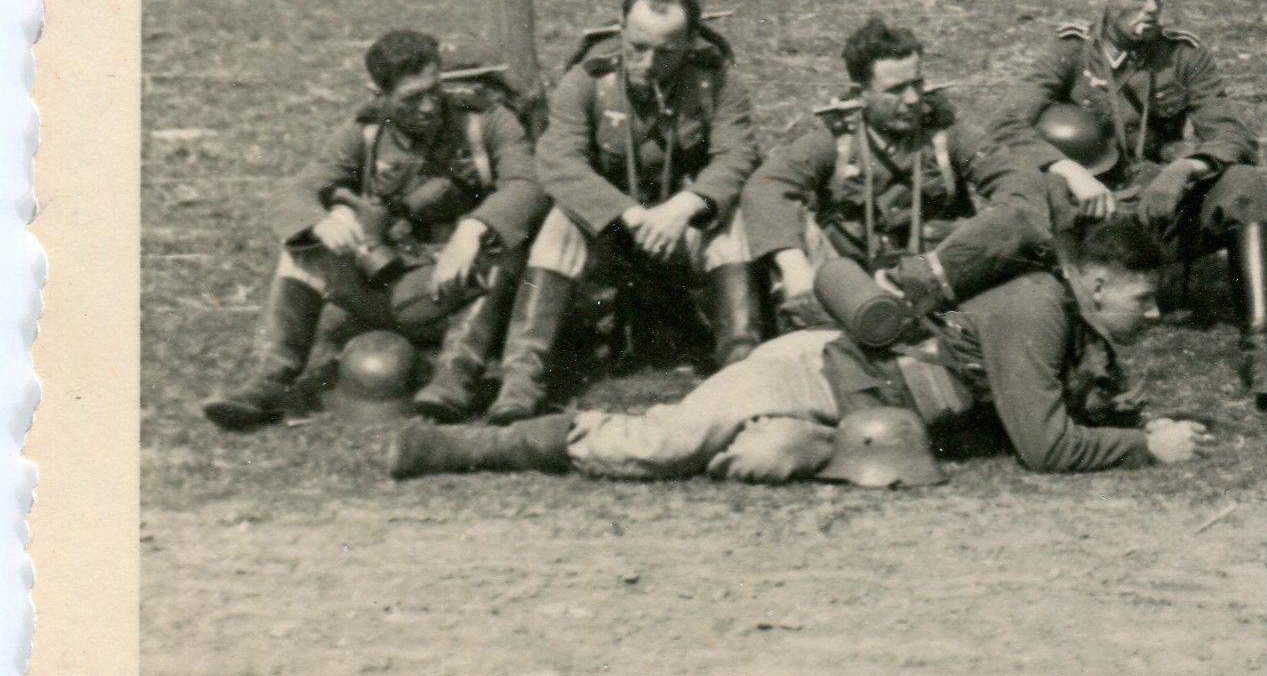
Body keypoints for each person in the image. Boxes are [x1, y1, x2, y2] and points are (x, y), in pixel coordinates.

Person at [388, 212, 1211, 485]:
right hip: (813, 369)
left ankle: (757, 446)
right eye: (1143, 296)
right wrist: (1147, 447)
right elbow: (1044, 444)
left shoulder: (1072, 324)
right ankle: (454, 446)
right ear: (1098, 285)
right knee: (660, 444)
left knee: (769, 459)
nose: (1153, 311)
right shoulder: (1041, 310)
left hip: (859, 412)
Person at [986, 0, 1267, 409]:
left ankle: (1261, 347)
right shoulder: (1070, 52)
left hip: (1157, 211)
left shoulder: (1182, 55)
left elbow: (1235, 136)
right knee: (1048, 186)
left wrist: (1187, 168)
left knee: (1244, 184)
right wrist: (1070, 171)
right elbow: (1007, 123)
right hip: (1091, 220)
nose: (1151, 8)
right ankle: (1086, 346)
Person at [201, 29, 545, 431]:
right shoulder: (365, 133)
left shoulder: (484, 120)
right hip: (393, 281)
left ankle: (455, 379)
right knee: (300, 253)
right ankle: (269, 381)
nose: (429, 107)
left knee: (502, 248)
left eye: (434, 90)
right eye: (411, 98)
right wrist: (320, 222)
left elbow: (528, 184)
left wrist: (472, 230)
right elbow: (296, 189)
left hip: (463, 288)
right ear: (378, 93)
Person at [484, 0, 765, 421]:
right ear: (620, 27)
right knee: (560, 224)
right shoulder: (587, 80)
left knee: (732, 224)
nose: (648, 63)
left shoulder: (716, 81)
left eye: (666, 51)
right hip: (612, 236)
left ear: (692, 41)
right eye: (637, 47)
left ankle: (742, 375)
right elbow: (559, 161)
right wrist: (629, 215)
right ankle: (521, 379)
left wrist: (685, 207)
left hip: (683, 231)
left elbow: (737, 156)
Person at [735, 9, 1058, 343]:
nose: (913, 99)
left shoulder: (948, 133)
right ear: (860, 94)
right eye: (896, 90)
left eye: (917, 84)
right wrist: (796, 271)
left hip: (934, 282)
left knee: (1015, 220)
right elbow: (767, 185)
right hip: (854, 288)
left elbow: (1016, 178)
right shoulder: (835, 140)